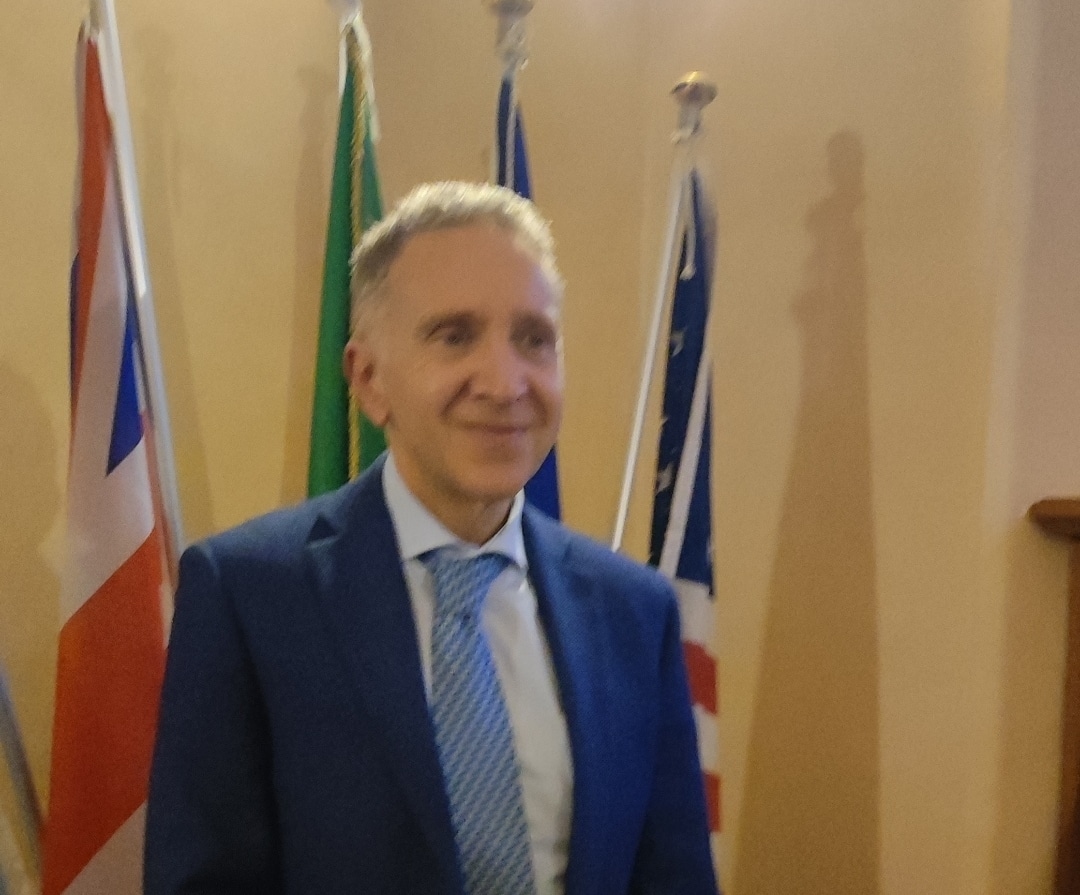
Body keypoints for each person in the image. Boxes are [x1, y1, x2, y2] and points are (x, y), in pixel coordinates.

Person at [145, 181, 718, 895]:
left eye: (534, 339)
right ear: (369, 379)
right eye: (454, 336)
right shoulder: (250, 596)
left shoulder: (633, 610)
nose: (505, 382)